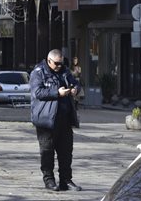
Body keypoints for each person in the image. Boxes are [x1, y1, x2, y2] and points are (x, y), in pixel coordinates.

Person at [29, 49, 82, 192]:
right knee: (47, 152)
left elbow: (76, 83)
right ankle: (49, 180)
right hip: (46, 120)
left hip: (64, 119)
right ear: (49, 60)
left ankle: (66, 180)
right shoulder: (39, 72)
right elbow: (37, 92)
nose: (59, 66)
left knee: (66, 152)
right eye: (56, 64)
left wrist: (75, 89)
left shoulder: (65, 71)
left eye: (61, 63)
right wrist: (57, 93)